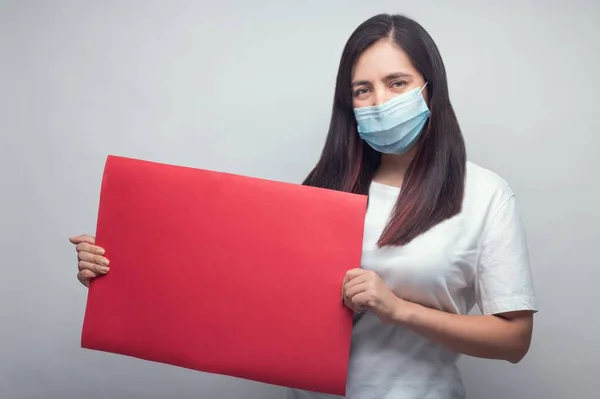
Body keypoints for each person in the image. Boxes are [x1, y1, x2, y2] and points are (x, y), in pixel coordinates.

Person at [69, 13, 537, 399]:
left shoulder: (483, 195)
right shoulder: (322, 191)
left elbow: (514, 339)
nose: (379, 101)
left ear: (429, 88)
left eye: (397, 83)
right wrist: (119, 267)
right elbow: (232, 285)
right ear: (347, 103)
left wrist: (397, 308)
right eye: (362, 90)